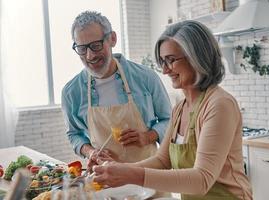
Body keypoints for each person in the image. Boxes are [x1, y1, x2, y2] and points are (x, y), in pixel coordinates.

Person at [92, 20, 253, 200]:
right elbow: (162, 160)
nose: (165, 70)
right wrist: (118, 169)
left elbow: (202, 179)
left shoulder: (219, 104)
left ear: (196, 57)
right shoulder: (180, 108)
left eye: (171, 60)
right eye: (162, 61)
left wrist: (130, 174)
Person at [61, 11, 171, 170]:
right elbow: (74, 134)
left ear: (112, 38)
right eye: (82, 48)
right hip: (105, 177)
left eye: (96, 45)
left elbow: (169, 120)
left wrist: (148, 137)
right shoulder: (71, 92)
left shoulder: (146, 77)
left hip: (149, 174)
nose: (90, 55)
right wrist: (90, 152)